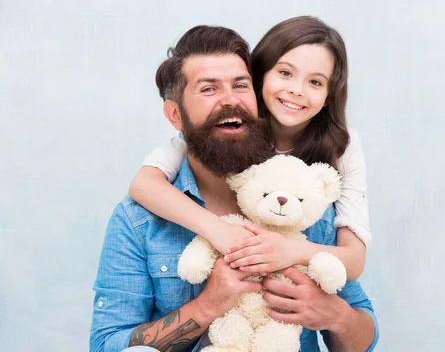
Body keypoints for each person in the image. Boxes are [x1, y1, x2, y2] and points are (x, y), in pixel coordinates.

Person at [90, 25, 379, 352]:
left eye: (240, 85)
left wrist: (334, 315)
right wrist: (208, 304)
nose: (230, 99)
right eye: (208, 89)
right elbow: (107, 345)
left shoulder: (298, 205)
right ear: (175, 114)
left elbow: (362, 335)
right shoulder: (137, 221)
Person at [129, 16, 370, 282]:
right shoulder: (231, 130)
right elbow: (145, 184)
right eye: (285, 73)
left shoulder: (342, 146)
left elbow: (355, 260)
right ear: (260, 76)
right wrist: (219, 231)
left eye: (315, 82)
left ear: (329, 96)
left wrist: (291, 251)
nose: (296, 90)